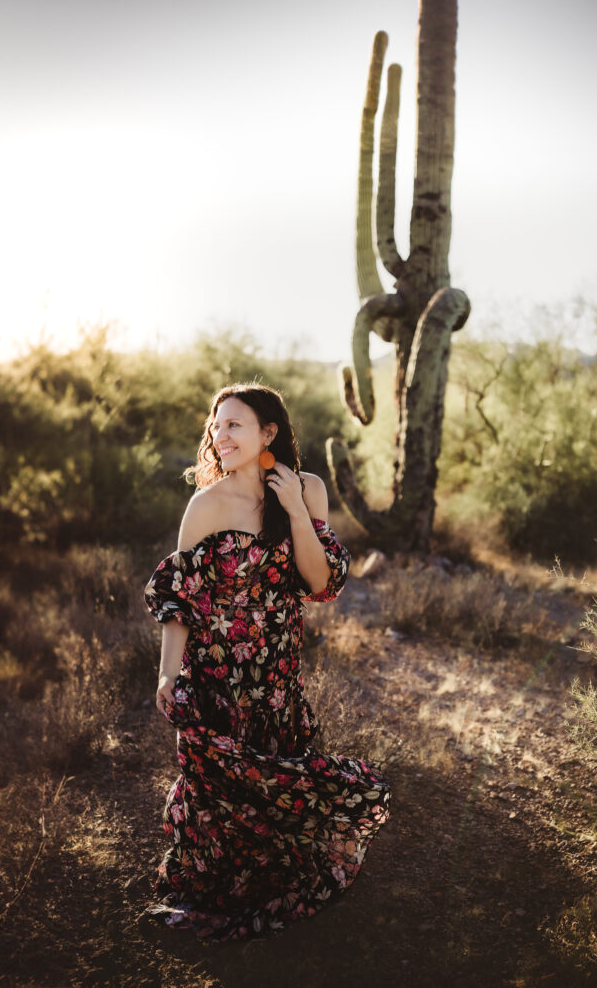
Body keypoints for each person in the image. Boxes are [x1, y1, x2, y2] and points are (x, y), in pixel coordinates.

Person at [142, 382, 391, 942]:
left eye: (234, 424)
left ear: (268, 433)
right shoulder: (205, 505)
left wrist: (297, 512)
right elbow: (180, 599)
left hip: (276, 674)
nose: (219, 434)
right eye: (216, 424)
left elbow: (320, 582)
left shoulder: (308, 488)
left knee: (277, 770)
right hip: (217, 674)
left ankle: (278, 868)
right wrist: (168, 671)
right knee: (223, 786)